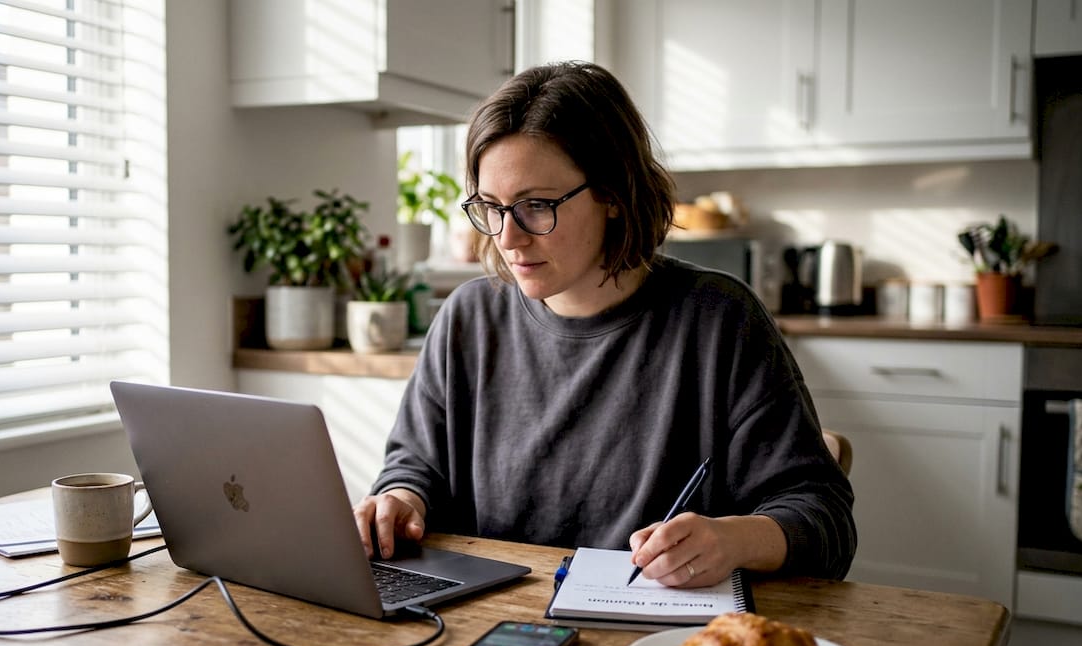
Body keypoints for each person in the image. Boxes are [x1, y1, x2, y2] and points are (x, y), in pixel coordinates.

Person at [353, 61, 856, 586]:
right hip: (492, 628)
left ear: (613, 194)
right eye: (491, 207)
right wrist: (398, 501)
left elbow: (825, 519)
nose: (508, 238)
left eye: (535, 206)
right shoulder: (468, 318)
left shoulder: (718, 319)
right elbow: (416, 468)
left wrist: (734, 540)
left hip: (655, 644)